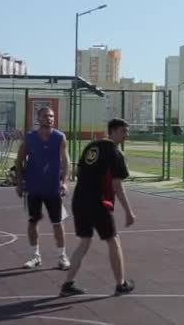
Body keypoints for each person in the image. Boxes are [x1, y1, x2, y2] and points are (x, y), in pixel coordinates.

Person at [60, 118, 136, 297]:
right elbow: (117, 186)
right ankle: (121, 284)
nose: (127, 135)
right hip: (98, 202)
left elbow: (80, 172)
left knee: (84, 242)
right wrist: (128, 211)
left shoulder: (91, 147)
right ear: (114, 131)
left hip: (79, 200)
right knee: (113, 240)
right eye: (124, 131)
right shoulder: (114, 152)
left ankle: (67, 284)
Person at [15, 107, 71, 270]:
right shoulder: (30, 138)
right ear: (38, 118)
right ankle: (35, 256)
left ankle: (62, 256)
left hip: (53, 188)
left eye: (52, 116)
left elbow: (66, 161)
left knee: (57, 222)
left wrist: (65, 182)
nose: (50, 119)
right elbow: (19, 161)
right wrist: (19, 183)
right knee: (33, 222)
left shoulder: (60, 137)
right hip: (33, 187)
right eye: (46, 116)